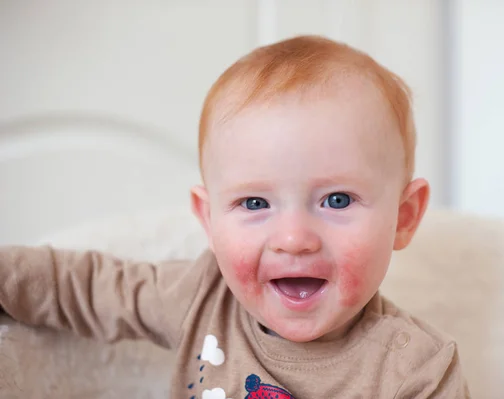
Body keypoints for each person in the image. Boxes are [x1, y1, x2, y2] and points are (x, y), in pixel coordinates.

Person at [0, 35, 470, 398]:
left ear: (404, 217)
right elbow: (84, 287)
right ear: (208, 220)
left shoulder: (417, 370)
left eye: (337, 200)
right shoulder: (203, 298)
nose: (293, 239)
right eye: (254, 204)